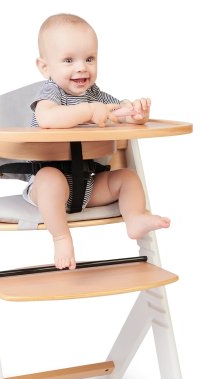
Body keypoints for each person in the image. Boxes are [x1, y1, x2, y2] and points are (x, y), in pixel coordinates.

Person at [26, 13, 170, 270]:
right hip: (47, 188)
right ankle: (61, 237)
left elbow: (117, 112)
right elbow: (46, 118)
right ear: (45, 67)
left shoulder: (95, 94)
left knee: (127, 178)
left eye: (89, 59)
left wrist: (135, 115)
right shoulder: (50, 92)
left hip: (88, 185)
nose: (82, 67)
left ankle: (135, 217)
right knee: (49, 179)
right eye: (69, 60)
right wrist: (89, 111)